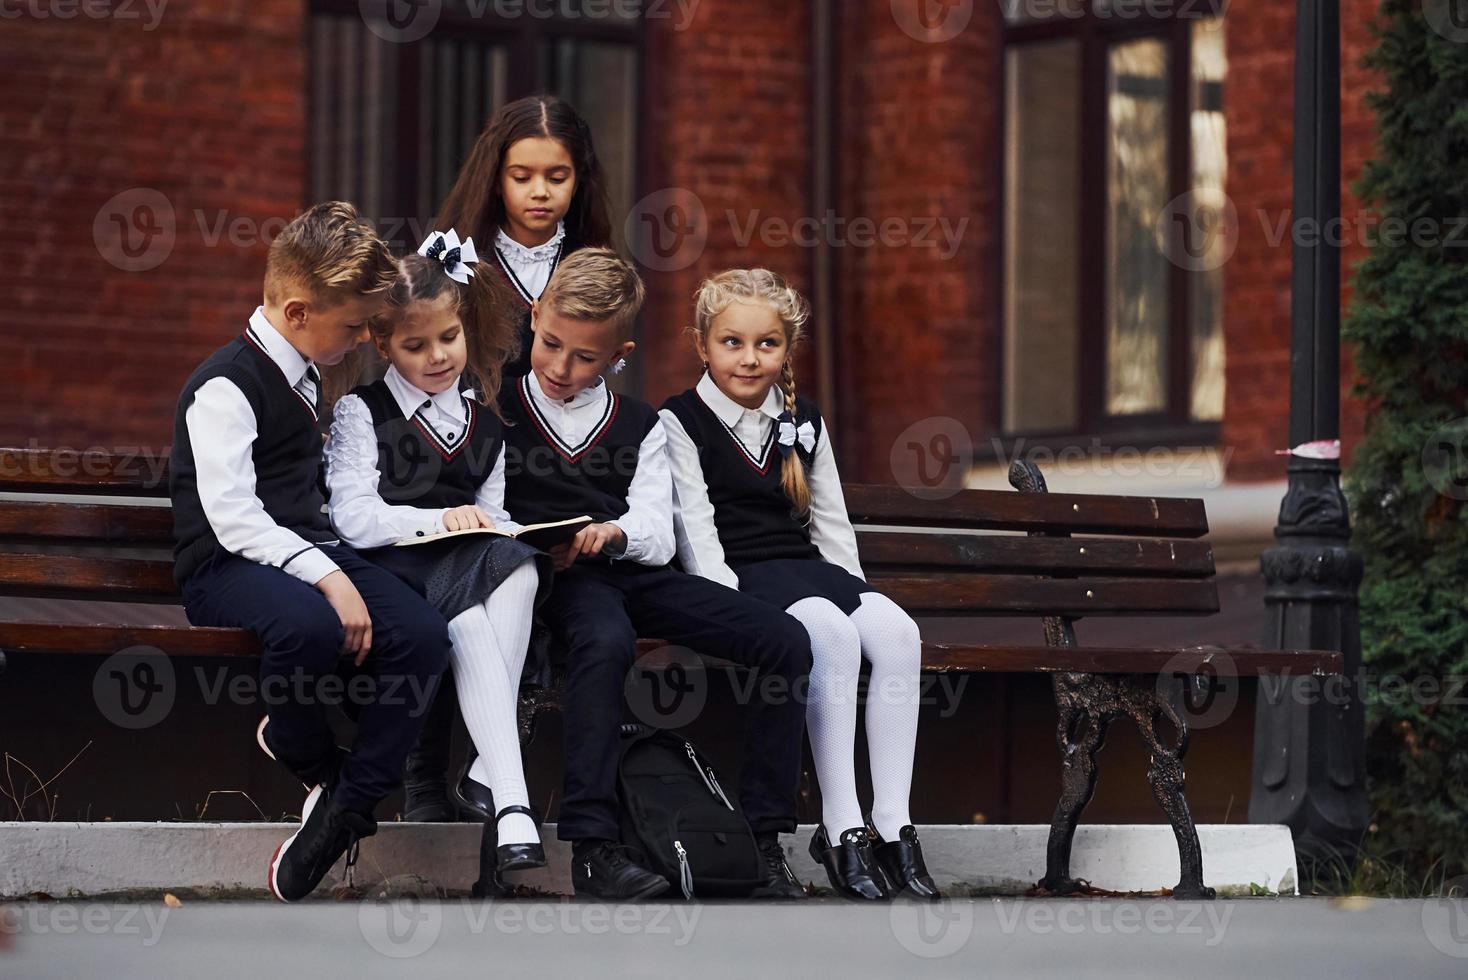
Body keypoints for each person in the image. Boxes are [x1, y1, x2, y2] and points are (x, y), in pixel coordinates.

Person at [500, 248, 813, 901]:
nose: (561, 367)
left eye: (586, 357)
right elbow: (480, 502)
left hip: (629, 569)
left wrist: (615, 533)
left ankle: (763, 839)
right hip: (555, 582)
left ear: (619, 351)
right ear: (535, 316)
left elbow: (656, 527)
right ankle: (594, 848)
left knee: (783, 640)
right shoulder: (496, 407)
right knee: (605, 640)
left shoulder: (639, 424)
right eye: (551, 344)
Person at [169, 202, 451, 902]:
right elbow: (232, 518)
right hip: (225, 564)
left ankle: (345, 810)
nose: (361, 340)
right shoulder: (226, 385)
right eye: (353, 326)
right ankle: (309, 753)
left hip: (302, 547)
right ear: (297, 312)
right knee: (310, 625)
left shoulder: (306, 369)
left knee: (422, 636)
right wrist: (330, 577)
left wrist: (348, 560)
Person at [659, 268, 938, 900]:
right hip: (742, 579)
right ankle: (841, 825)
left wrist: (863, 595)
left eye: (767, 344)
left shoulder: (801, 418)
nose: (749, 359)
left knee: (897, 632)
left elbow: (832, 521)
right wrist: (730, 609)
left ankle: (893, 820)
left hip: (809, 570)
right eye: (732, 342)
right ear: (702, 344)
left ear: (786, 349)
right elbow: (695, 533)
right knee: (830, 635)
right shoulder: (680, 421)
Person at [324, 229, 552, 874]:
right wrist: (436, 520)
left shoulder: (487, 420)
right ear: (382, 343)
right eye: (414, 344)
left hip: (469, 562)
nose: (436, 356)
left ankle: (491, 775)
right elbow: (354, 517)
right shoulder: (361, 413)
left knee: (522, 565)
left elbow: (496, 511)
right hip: (394, 564)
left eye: (448, 338)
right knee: (473, 614)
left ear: (464, 327)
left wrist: (491, 526)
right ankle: (507, 795)